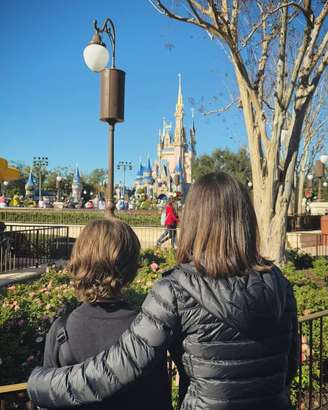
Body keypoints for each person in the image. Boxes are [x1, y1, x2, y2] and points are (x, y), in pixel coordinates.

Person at [28, 172, 299, 410]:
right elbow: (288, 368)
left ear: (193, 221)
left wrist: (39, 383)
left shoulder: (178, 289)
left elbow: (115, 369)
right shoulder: (278, 283)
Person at [39, 218, 171, 410]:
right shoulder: (146, 330)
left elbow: (50, 398)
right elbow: (160, 402)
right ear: (131, 268)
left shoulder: (61, 331)